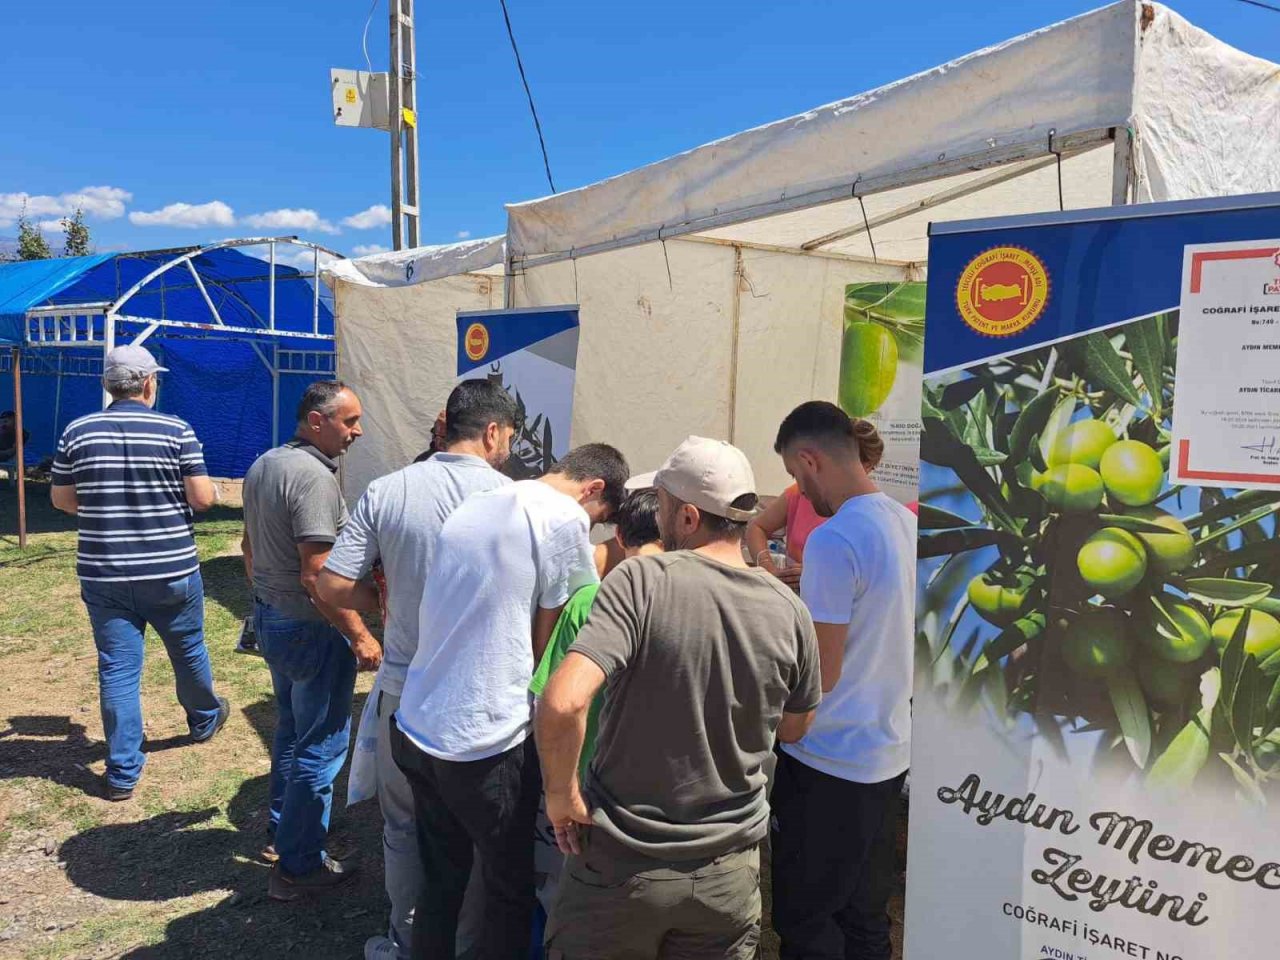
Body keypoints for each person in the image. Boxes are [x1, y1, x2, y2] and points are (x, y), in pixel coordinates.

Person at [537, 436, 823, 960]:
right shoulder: (789, 608)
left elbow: (563, 701)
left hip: (622, 866)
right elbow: (795, 727)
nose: (660, 513)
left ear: (689, 517)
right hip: (727, 875)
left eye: (665, 503)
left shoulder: (640, 580)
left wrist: (561, 796)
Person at [390, 443, 629, 960]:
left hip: (418, 721)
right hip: (483, 740)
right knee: (507, 890)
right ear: (593, 490)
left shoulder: (482, 500)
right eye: (600, 518)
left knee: (442, 880)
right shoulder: (564, 516)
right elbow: (556, 642)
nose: (592, 528)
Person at [316, 380, 518, 960]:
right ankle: (467, 944)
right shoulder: (516, 500)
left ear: (444, 426)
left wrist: (386, 600)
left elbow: (331, 584)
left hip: (405, 689)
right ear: (493, 432)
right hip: (483, 697)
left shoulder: (390, 489)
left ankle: (408, 941)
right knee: (476, 837)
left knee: (404, 829)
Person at [769, 402, 915, 960]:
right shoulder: (907, 523)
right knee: (866, 917)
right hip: (886, 755)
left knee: (806, 921)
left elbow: (820, 675)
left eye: (795, 474)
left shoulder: (834, 539)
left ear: (810, 460)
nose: (801, 492)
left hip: (827, 760)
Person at [49, 345, 227, 801]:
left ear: (107, 385)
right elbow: (202, 498)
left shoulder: (77, 431)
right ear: (149, 383)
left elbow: (63, 501)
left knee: (118, 669)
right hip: (170, 569)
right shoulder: (177, 430)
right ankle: (204, 718)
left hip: (104, 572)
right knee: (187, 649)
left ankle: (123, 771)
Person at [241, 380, 384, 901]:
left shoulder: (266, 464)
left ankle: (285, 830)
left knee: (292, 728)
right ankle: (298, 866)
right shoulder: (312, 478)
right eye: (350, 421)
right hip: (310, 626)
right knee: (321, 745)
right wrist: (359, 634)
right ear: (317, 420)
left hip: (275, 617)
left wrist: (266, 598)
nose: (357, 431)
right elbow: (317, 573)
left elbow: (248, 546)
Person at [527, 487, 663, 917]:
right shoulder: (690, 602)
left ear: (619, 537)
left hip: (584, 785)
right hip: (656, 795)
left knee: (563, 892)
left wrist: (558, 788)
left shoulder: (588, 600)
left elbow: (550, 700)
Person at [744, 482, 825, 591]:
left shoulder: (848, 503)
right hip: (794, 595)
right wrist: (767, 567)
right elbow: (756, 528)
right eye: (793, 475)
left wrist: (820, 575)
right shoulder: (797, 492)